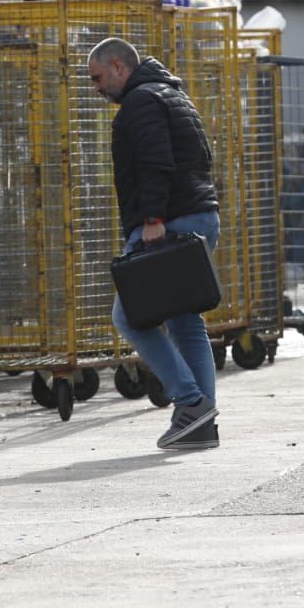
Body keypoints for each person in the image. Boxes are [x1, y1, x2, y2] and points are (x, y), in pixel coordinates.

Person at [88, 37, 222, 450]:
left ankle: (189, 401)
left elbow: (156, 162)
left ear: (118, 66)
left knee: (130, 317)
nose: (96, 88)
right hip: (198, 217)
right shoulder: (170, 93)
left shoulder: (142, 102)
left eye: (97, 78)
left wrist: (152, 219)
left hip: (169, 224)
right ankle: (201, 424)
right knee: (185, 321)